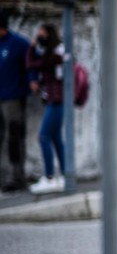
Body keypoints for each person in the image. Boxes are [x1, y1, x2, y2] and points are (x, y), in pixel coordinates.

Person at [26, 23, 66, 194]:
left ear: (49, 35)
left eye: (41, 34)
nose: (39, 36)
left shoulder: (55, 53)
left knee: (44, 136)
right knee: (55, 138)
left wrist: (32, 46)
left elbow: (31, 63)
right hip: (55, 99)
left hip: (57, 100)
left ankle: (50, 177)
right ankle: (65, 175)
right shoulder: (54, 52)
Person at [0, 9, 31, 193]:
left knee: (14, 138)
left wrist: (28, 86)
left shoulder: (18, 44)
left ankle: (16, 177)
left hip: (13, 99)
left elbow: (31, 67)